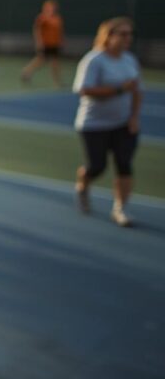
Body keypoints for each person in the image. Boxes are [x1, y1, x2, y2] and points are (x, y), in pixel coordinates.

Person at [73, 17, 142, 227]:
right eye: (122, 34)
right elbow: (85, 90)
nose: (127, 38)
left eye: (129, 34)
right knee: (97, 166)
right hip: (94, 125)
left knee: (124, 165)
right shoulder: (94, 60)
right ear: (109, 36)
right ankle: (83, 184)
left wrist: (134, 117)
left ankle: (120, 209)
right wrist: (119, 89)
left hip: (123, 124)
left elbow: (137, 91)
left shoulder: (130, 60)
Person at [21, 0, 64, 86]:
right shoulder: (42, 18)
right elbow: (37, 30)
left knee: (55, 63)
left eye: (54, 7)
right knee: (40, 60)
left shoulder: (57, 19)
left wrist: (61, 41)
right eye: (50, 7)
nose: (52, 9)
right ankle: (26, 71)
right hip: (46, 44)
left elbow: (60, 32)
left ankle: (57, 81)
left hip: (54, 44)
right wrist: (39, 42)